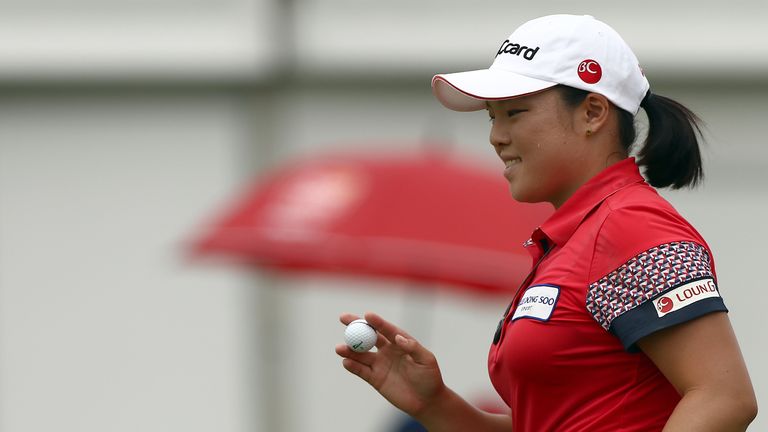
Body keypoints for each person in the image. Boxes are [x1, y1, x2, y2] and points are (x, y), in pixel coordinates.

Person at [335, 14, 758, 431]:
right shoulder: (577, 236)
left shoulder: (629, 225)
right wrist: (434, 404)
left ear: (593, 112)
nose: (496, 136)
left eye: (515, 112)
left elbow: (724, 398)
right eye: (491, 116)